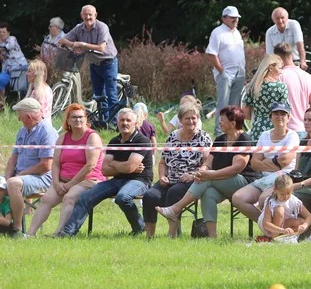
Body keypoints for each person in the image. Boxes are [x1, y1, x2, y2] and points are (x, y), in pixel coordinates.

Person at [157, 106, 253, 238]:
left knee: (207, 179)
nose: (219, 122)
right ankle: (212, 237)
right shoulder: (220, 139)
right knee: (208, 193)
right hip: (221, 181)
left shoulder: (244, 139)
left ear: (233, 123)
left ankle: (175, 208)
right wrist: (200, 173)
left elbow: (237, 168)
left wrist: (210, 175)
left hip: (243, 183)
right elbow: (208, 163)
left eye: (222, 120)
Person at [59, 108, 152, 236]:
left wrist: (115, 165)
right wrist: (123, 166)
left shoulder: (142, 141)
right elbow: (105, 170)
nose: (125, 123)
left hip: (139, 181)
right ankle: (68, 232)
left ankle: (139, 226)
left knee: (123, 197)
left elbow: (129, 168)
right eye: (122, 120)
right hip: (117, 180)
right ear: (117, 123)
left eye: (128, 120)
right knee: (86, 197)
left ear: (135, 124)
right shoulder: (114, 141)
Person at [27, 104, 104, 236]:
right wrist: (56, 183)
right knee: (46, 199)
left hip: (88, 180)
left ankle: (59, 233)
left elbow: (90, 166)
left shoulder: (92, 137)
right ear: (68, 120)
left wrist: (69, 184)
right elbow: (56, 163)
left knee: (69, 197)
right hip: (63, 181)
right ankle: (30, 234)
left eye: (81, 117)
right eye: (73, 117)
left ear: (86, 119)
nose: (77, 120)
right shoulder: (63, 138)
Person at [141, 101, 213, 238]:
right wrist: (162, 176)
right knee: (150, 195)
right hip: (169, 178)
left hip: (191, 180)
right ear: (180, 120)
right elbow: (162, 162)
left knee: (173, 192)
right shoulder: (173, 137)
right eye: (187, 118)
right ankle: (149, 236)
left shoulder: (204, 138)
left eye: (194, 118)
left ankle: (172, 234)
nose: (191, 121)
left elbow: (207, 164)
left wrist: (192, 175)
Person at [227, 102, 301, 224]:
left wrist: (266, 162)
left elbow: (285, 161)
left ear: (289, 117)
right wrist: (276, 162)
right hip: (264, 178)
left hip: (284, 178)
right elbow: (255, 163)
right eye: (276, 113)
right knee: (238, 198)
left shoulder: (293, 136)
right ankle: (268, 227)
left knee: (263, 200)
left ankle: (275, 229)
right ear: (270, 116)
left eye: (283, 114)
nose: (279, 116)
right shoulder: (264, 135)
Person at [57, 5, 120, 125]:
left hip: (108, 63)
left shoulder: (102, 27)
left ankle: (115, 123)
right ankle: (103, 122)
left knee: (111, 95)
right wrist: (73, 44)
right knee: (99, 95)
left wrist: (83, 45)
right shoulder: (79, 28)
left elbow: (101, 47)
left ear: (95, 15)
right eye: (85, 14)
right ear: (81, 16)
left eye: (90, 14)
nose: (88, 17)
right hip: (94, 64)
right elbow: (62, 40)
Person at [3, 98, 58, 233]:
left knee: (14, 183)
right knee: (9, 181)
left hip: (42, 178)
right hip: (21, 176)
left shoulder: (47, 132)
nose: (18, 119)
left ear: (28, 116)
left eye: (19, 115)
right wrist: (7, 176)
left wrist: (19, 175)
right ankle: (3, 224)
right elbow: (13, 157)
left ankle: (16, 229)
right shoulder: (22, 131)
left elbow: (46, 166)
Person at [206, 5, 246, 134]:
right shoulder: (217, 32)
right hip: (226, 73)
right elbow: (212, 53)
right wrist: (221, 72)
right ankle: (219, 132)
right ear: (224, 18)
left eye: (237, 18)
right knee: (223, 104)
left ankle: (232, 130)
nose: (235, 20)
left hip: (239, 73)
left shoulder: (237, 32)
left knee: (234, 106)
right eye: (232, 18)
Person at [242, 54, 289, 140]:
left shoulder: (252, 86)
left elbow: (245, 113)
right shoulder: (281, 87)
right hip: (276, 128)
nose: (281, 71)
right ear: (271, 68)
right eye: (280, 68)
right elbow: (286, 112)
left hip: (257, 128)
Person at [274, 43, 311, 132]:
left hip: (286, 129)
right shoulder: (309, 77)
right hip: (305, 128)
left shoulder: (279, 76)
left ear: (276, 58)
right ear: (292, 55)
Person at [256, 175, 311, 241]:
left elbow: (309, 216)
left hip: (283, 225)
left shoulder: (294, 200)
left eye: (288, 193)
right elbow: (266, 224)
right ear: (275, 190)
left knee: (302, 222)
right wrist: (282, 230)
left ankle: (284, 236)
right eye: (282, 194)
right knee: (280, 210)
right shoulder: (271, 202)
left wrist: (304, 226)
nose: (285, 197)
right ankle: (274, 237)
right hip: (268, 228)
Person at [0, 21, 30, 106]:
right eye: (0, 32)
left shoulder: (12, 39)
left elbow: (7, 48)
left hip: (20, 69)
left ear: (8, 32)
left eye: (3, 32)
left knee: (22, 89)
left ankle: (25, 106)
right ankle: (2, 105)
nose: (2, 34)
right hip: (8, 70)